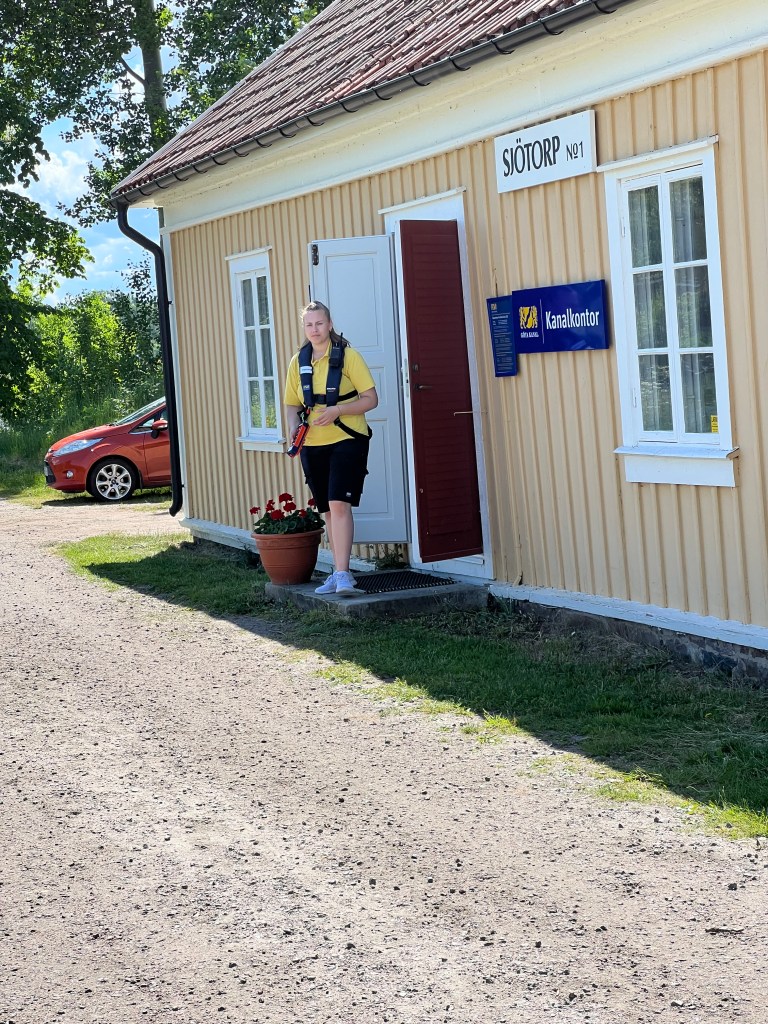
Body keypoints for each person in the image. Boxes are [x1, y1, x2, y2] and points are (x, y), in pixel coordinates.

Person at [283, 301, 378, 595]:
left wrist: (338, 410)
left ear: (330, 324)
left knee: (339, 504)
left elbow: (371, 399)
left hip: (347, 438)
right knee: (327, 508)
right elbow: (292, 404)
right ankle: (338, 573)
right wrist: (293, 428)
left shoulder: (349, 356)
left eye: (319, 323)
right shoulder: (298, 362)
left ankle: (344, 574)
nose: (314, 329)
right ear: (304, 328)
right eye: (309, 324)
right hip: (312, 444)